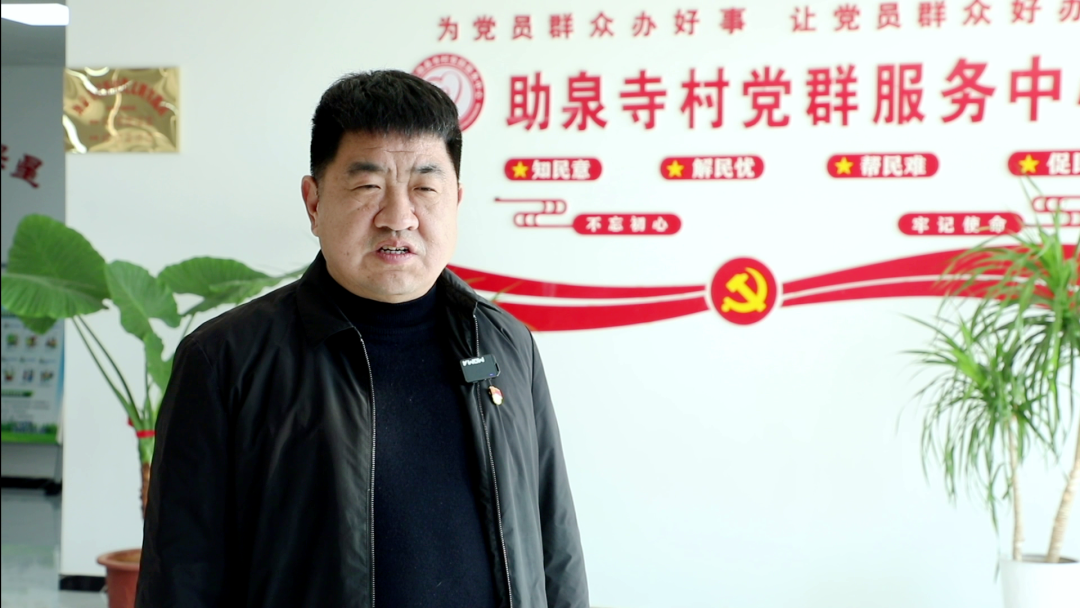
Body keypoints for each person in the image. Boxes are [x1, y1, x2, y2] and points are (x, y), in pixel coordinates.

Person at [135, 70, 589, 608]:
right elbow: (181, 576)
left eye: (425, 188)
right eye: (368, 187)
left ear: (456, 201)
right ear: (313, 202)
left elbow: (555, 543)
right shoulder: (225, 361)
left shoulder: (506, 343)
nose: (398, 217)